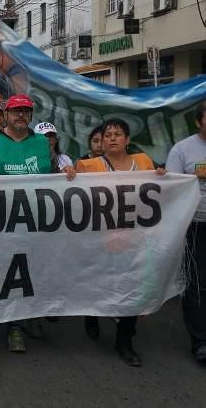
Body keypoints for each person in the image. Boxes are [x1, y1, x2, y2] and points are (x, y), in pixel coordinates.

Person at [0, 94, 75, 354]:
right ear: (6, 115)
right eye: (15, 111)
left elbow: (50, 177)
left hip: (32, 219)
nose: (21, 115)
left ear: (31, 116)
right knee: (1, 270)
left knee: (26, 271)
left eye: (26, 111)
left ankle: (18, 326)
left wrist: (66, 174)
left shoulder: (40, 143)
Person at [77, 118, 165, 366]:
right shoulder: (87, 165)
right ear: (101, 141)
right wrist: (68, 174)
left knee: (132, 289)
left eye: (117, 134)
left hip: (136, 241)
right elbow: (72, 194)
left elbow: (159, 189)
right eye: (107, 135)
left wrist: (161, 176)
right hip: (99, 241)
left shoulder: (146, 163)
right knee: (98, 283)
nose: (112, 138)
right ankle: (91, 315)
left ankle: (124, 341)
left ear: (127, 140)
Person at [166, 102, 206, 365]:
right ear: (198, 122)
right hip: (196, 225)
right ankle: (200, 341)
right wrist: (194, 175)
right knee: (198, 284)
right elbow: (171, 186)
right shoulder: (183, 149)